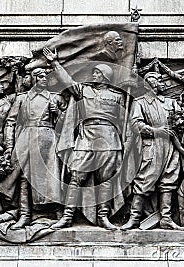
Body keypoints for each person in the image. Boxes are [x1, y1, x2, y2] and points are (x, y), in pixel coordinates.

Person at [44, 47, 125, 231]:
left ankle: (103, 216)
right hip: (86, 137)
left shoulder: (118, 96)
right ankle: (67, 216)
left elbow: (124, 122)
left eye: (97, 72)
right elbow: (67, 81)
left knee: (106, 180)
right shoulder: (83, 90)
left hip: (110, 139)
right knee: (76, 177)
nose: (93, 75)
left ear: (105, 76)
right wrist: (55, 62)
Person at [0, 67, 67, 229]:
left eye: (46, 77)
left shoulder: (55, 98)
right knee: (24, 177)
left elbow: (69, 122)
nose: (45, 79)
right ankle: (24, 215)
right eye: (42, 76)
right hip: (26, 138)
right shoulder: (23, 99)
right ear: (34, 78)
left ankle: (58, 212)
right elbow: (10, 122)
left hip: (48, 140)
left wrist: (57, 113)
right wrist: (9, 146)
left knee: (52, 177)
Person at [121, 72, 184, 231]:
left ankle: (166, 219)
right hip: (152, 146)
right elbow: (135, 125)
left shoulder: (171, 103)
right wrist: (156, 131)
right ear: (151, 84)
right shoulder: (140, 102)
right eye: (160, 80)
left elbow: (182, 121)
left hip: (171, 146)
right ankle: (134, 218)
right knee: (144, 180)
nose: (163, 83)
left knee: (169, 181)